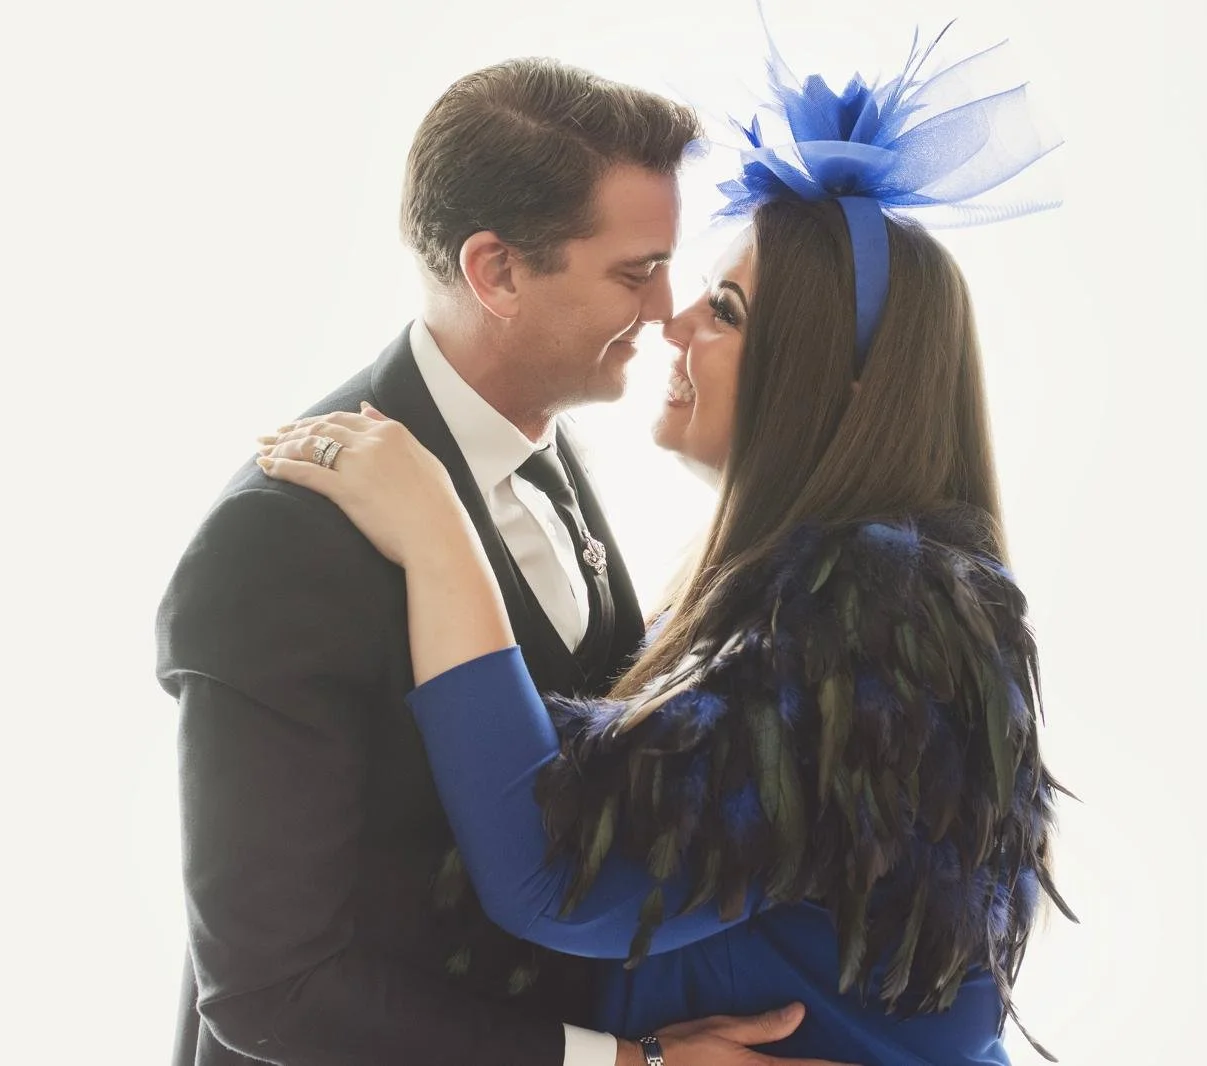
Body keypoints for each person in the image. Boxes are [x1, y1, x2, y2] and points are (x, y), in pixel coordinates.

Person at [254, 22, 1073, 1066]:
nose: (673, 322)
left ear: (830, 383)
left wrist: (436, 532)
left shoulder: (874, 612)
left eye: (724, 308)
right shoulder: (821, 590)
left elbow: (558, 876)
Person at [158, 58, 840, 1066]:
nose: (665, 310)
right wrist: (616, 1063)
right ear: (498, 273)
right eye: (632, 269)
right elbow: (271, 992)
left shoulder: (552, 451)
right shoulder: (276, 544)